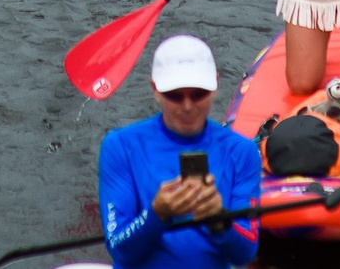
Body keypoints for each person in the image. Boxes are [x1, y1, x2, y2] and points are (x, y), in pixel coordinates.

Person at [96, 35, 265, 269]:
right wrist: (157, 214)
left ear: (215, 85)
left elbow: (245, 254)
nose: (187, 106)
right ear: (155, 89)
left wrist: (219, 220)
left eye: (198, 94)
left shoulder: (243, 152)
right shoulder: (119, 146)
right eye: (175, 95)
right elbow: (119, 249)